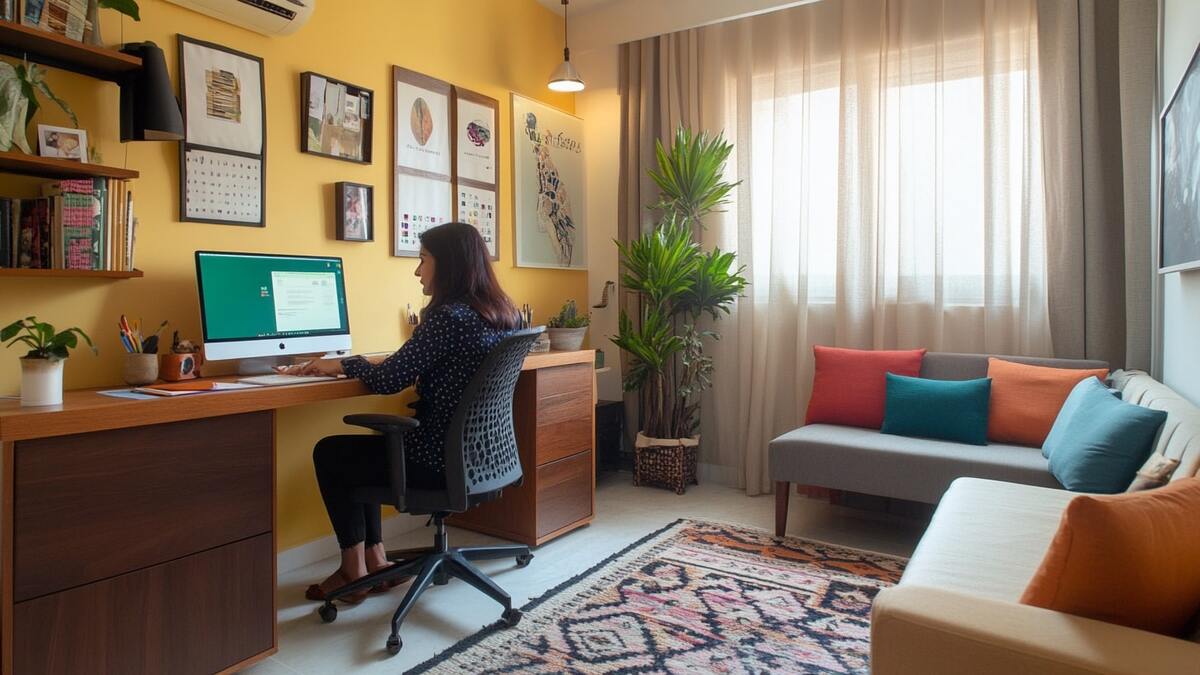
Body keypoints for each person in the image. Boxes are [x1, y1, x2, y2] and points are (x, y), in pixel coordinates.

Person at [283, 222, 520, 604]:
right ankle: (376, 562)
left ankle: (353, 570)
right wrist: (364, 362)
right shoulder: (504, 315)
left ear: (448, 264)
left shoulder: (448, 319)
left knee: (331, 452)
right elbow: (415, 365)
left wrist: (345, 363)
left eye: (423, 259)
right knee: (370, 449)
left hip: (437, 463)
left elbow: (389, 380)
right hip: (483, 458)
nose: (417, 270)